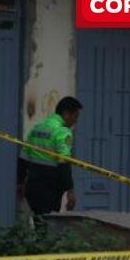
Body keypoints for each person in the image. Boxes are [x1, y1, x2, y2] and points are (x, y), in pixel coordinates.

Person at [19, 96, 83, 224]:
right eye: (75, 116)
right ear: (66, 114)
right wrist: (70, 192)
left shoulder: (37, 128)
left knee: (38, 225)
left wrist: (19, 182)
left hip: (32, 187)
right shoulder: (63, 132)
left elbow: (23, 158)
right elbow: (64, 163)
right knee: (48, 227)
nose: (75, 121)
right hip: (50, 189)